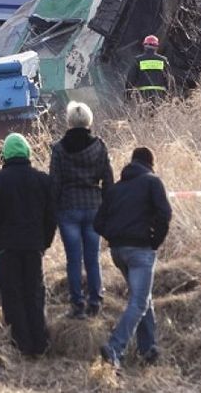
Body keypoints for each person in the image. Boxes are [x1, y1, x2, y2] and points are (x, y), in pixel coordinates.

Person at [95, 147, 172, 369]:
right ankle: (114, 347)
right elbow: (165, 214)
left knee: (143, 297)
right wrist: (154, 241)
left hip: (118, 252)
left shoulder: (116, 189)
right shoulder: (152, 182)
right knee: (138, 302)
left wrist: (115, 236)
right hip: (140, 251)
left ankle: (148, 349)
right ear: (151, 163)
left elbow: (98, 223)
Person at [0, 132, 56, 356]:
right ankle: (40, 343)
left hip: (6, 247)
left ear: (5, 154)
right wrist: (45, 241)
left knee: (12, 294)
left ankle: (22, 345)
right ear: (27, 151)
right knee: (35, 292)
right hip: (34, 245)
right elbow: (51, 216)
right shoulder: (43, 180)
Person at [50, 101, 114, 319]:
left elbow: (55, 183)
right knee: (92, 258)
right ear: (89, 120)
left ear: (69, 121)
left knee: (73, 260)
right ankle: (96, 300)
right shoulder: (99, 146)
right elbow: (108, 179)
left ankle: (77, 304)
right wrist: (106, 207)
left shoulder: (58, 149)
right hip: (93, 207)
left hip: (68, 209)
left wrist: (54, 209)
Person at [125, 35, 174, 102]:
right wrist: (170, 95)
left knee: (144, 111)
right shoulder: (163, 60)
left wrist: (128, 95)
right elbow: (169, 78)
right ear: (156, 47)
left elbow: (131, 78)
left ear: (145, 47)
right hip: (159, 95)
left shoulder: (138, 60)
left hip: (143, 94)